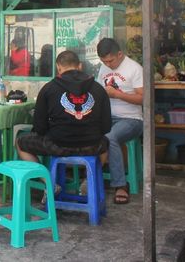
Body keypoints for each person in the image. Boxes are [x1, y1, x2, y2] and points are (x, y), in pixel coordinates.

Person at [16, 50, 111, 163]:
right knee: (105, 144)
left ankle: (46, 179)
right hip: (92, 146)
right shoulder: (99, 89)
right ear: (80, 66)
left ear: (58, 67)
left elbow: (39, 127)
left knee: (20, 142)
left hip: (58, 145)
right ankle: (88, 179)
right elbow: (106, 127)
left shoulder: (48, 88)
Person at [96, 37, 143, 205]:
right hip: (108, 117)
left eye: (111, 60)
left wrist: (117, 95)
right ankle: (90, 177)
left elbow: (142, 99)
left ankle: (121, 185)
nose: (108, 64)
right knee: (86, 131)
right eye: (104, 61)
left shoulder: (134, 69)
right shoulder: (103, 68)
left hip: (132, 119)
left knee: (110, 137)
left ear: (120, 54)